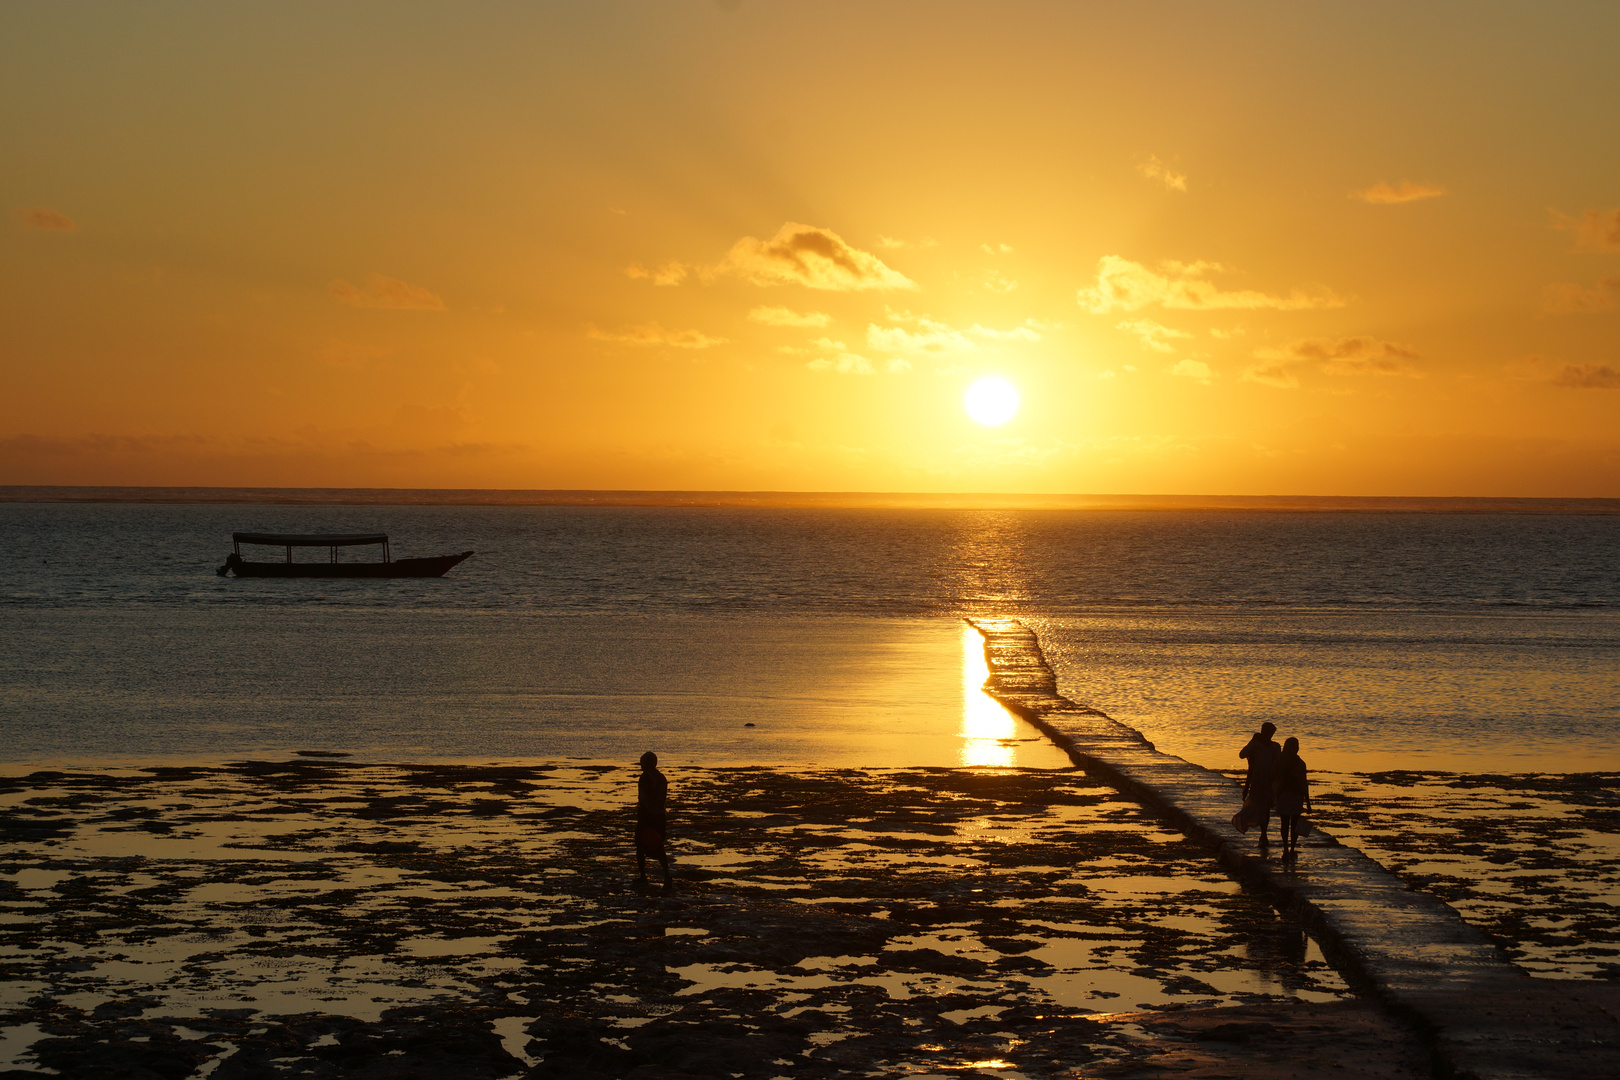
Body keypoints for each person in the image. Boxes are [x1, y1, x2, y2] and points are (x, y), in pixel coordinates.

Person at [1235, 722, 1282, 848]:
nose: (1268, 735)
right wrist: (1252, 741)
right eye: (1267, 732)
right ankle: (1260, 832)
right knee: (1256, 808)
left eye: (1270, 733)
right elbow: (1242, 755)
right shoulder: (1255, 745)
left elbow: (1278, 765)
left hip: (1268, 783)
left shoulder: (1275, 747)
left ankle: (1264, 834)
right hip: (1256, 782)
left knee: (1265, 809)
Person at [635, 751, 673, 890]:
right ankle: (644, 876)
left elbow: (656, 798)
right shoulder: (647, 777)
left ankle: (666, 876)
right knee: (640, 845)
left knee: (656, 846)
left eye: (643, 763)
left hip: (654, 816)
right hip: (649, 816)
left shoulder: (656, 778)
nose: (641, 766)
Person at [1271, 736, 1312, 858]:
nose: (1296, 749)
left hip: (1289, 796)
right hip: (1290, 796)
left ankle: (1288, 849)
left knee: (1289, 824)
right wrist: (1308, 802)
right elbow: (1303, 783)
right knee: (1290, 824)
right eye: (1295, 746)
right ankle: (1289, 849)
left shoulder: (1280, 762)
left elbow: (1274, 778)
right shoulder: (1298, 763)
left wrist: (1308, 802)